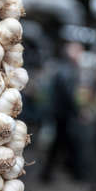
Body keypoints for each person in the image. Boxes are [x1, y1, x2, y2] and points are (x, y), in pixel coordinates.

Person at [40, 42, 86, 182]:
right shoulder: (67, 69)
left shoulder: (65, 67)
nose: (80, 55)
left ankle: (65, 172)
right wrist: (77, 111)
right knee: (65, 142)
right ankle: (74, 173)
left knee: (62, 142)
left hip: (60, 112)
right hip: (62, 113)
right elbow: (68, 94)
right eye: (78, 52)